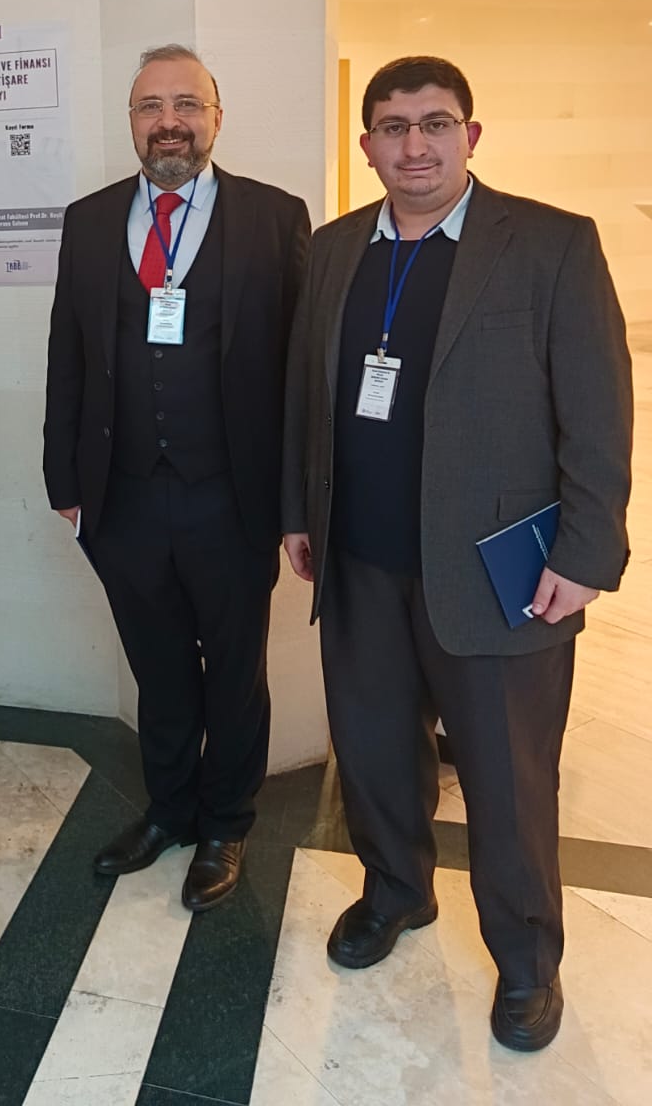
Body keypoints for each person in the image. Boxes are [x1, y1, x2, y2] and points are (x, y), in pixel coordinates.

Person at [282, 55, 632, 1051]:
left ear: (470, 136)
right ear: (367, 146)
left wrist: (586, 551)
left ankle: (526, 962)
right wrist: (297, 510)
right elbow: (307, 393)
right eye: (393, 128)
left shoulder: (552, 243)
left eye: (436, 123)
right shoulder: (334, 249)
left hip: (498, 572)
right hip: (359, 562)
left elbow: (599, 412)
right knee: (374, 751)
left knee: (507, 781)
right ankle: (396, 889)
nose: (415, 145)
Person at [44, 43, 310, 910]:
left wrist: (298, 499)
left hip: (232, 496)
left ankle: (226, 822)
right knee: (157, 667)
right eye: (151, 106)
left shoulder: (275, 217)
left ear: (216, 117)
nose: (170, 122)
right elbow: (67, 353)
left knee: (233, 670)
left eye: (187, 104)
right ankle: (168, 810)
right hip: (121, 496)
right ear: (131, 121)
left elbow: (302, 370)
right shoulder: (89, 221)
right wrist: (63, 481)